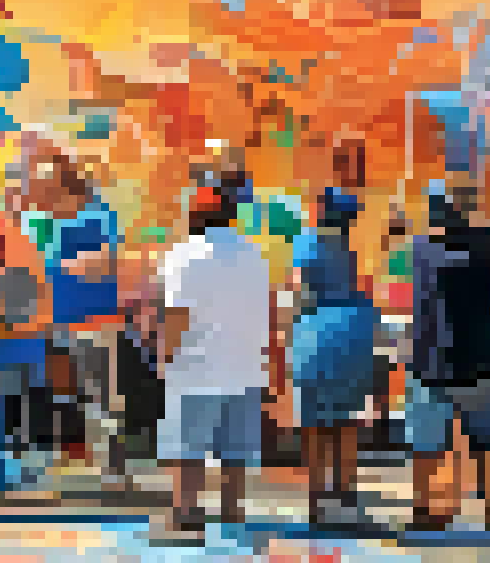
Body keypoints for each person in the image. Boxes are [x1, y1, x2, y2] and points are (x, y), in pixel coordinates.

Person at [407, 181, 490, 532]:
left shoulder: (421, 250)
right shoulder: (486, 244)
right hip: (480, 359)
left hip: (433, 360)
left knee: (427, 444)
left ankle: (425, 508)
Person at [155, 182, 271, 537]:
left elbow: (176, 314)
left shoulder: (184, 254)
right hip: (245, 362)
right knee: (235, 451)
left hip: (197, 365)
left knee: (186, 448)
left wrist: (165, 355)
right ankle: (232, 513)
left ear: (196, 214)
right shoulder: (254, 252)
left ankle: (185, 514)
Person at [32, 144, 128, 489]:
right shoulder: (44, 222)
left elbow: (108, 262)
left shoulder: (98, 214)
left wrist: (69, 268)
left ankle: (110, 466)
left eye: (45, 179)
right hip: (55, 319)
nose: (38, 187)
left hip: (96, 320)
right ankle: (71, 461)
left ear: (64, 179)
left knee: (102, 392)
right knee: (63, 391)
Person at [287, 186, 381, 528]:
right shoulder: (348, 249)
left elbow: (301, 293)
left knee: (315, 425)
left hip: (316, 334)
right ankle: (345, 496)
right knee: (345, 422)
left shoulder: (306, 243)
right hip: (353, 334)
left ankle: (316, 502)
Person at [0, 203, 51, 494]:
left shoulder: (13, 266)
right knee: (7, 418)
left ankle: (2, 478)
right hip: (15, 348)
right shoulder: (24, 260)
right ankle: (1, 477)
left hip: (6, 348)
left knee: (5, 417)